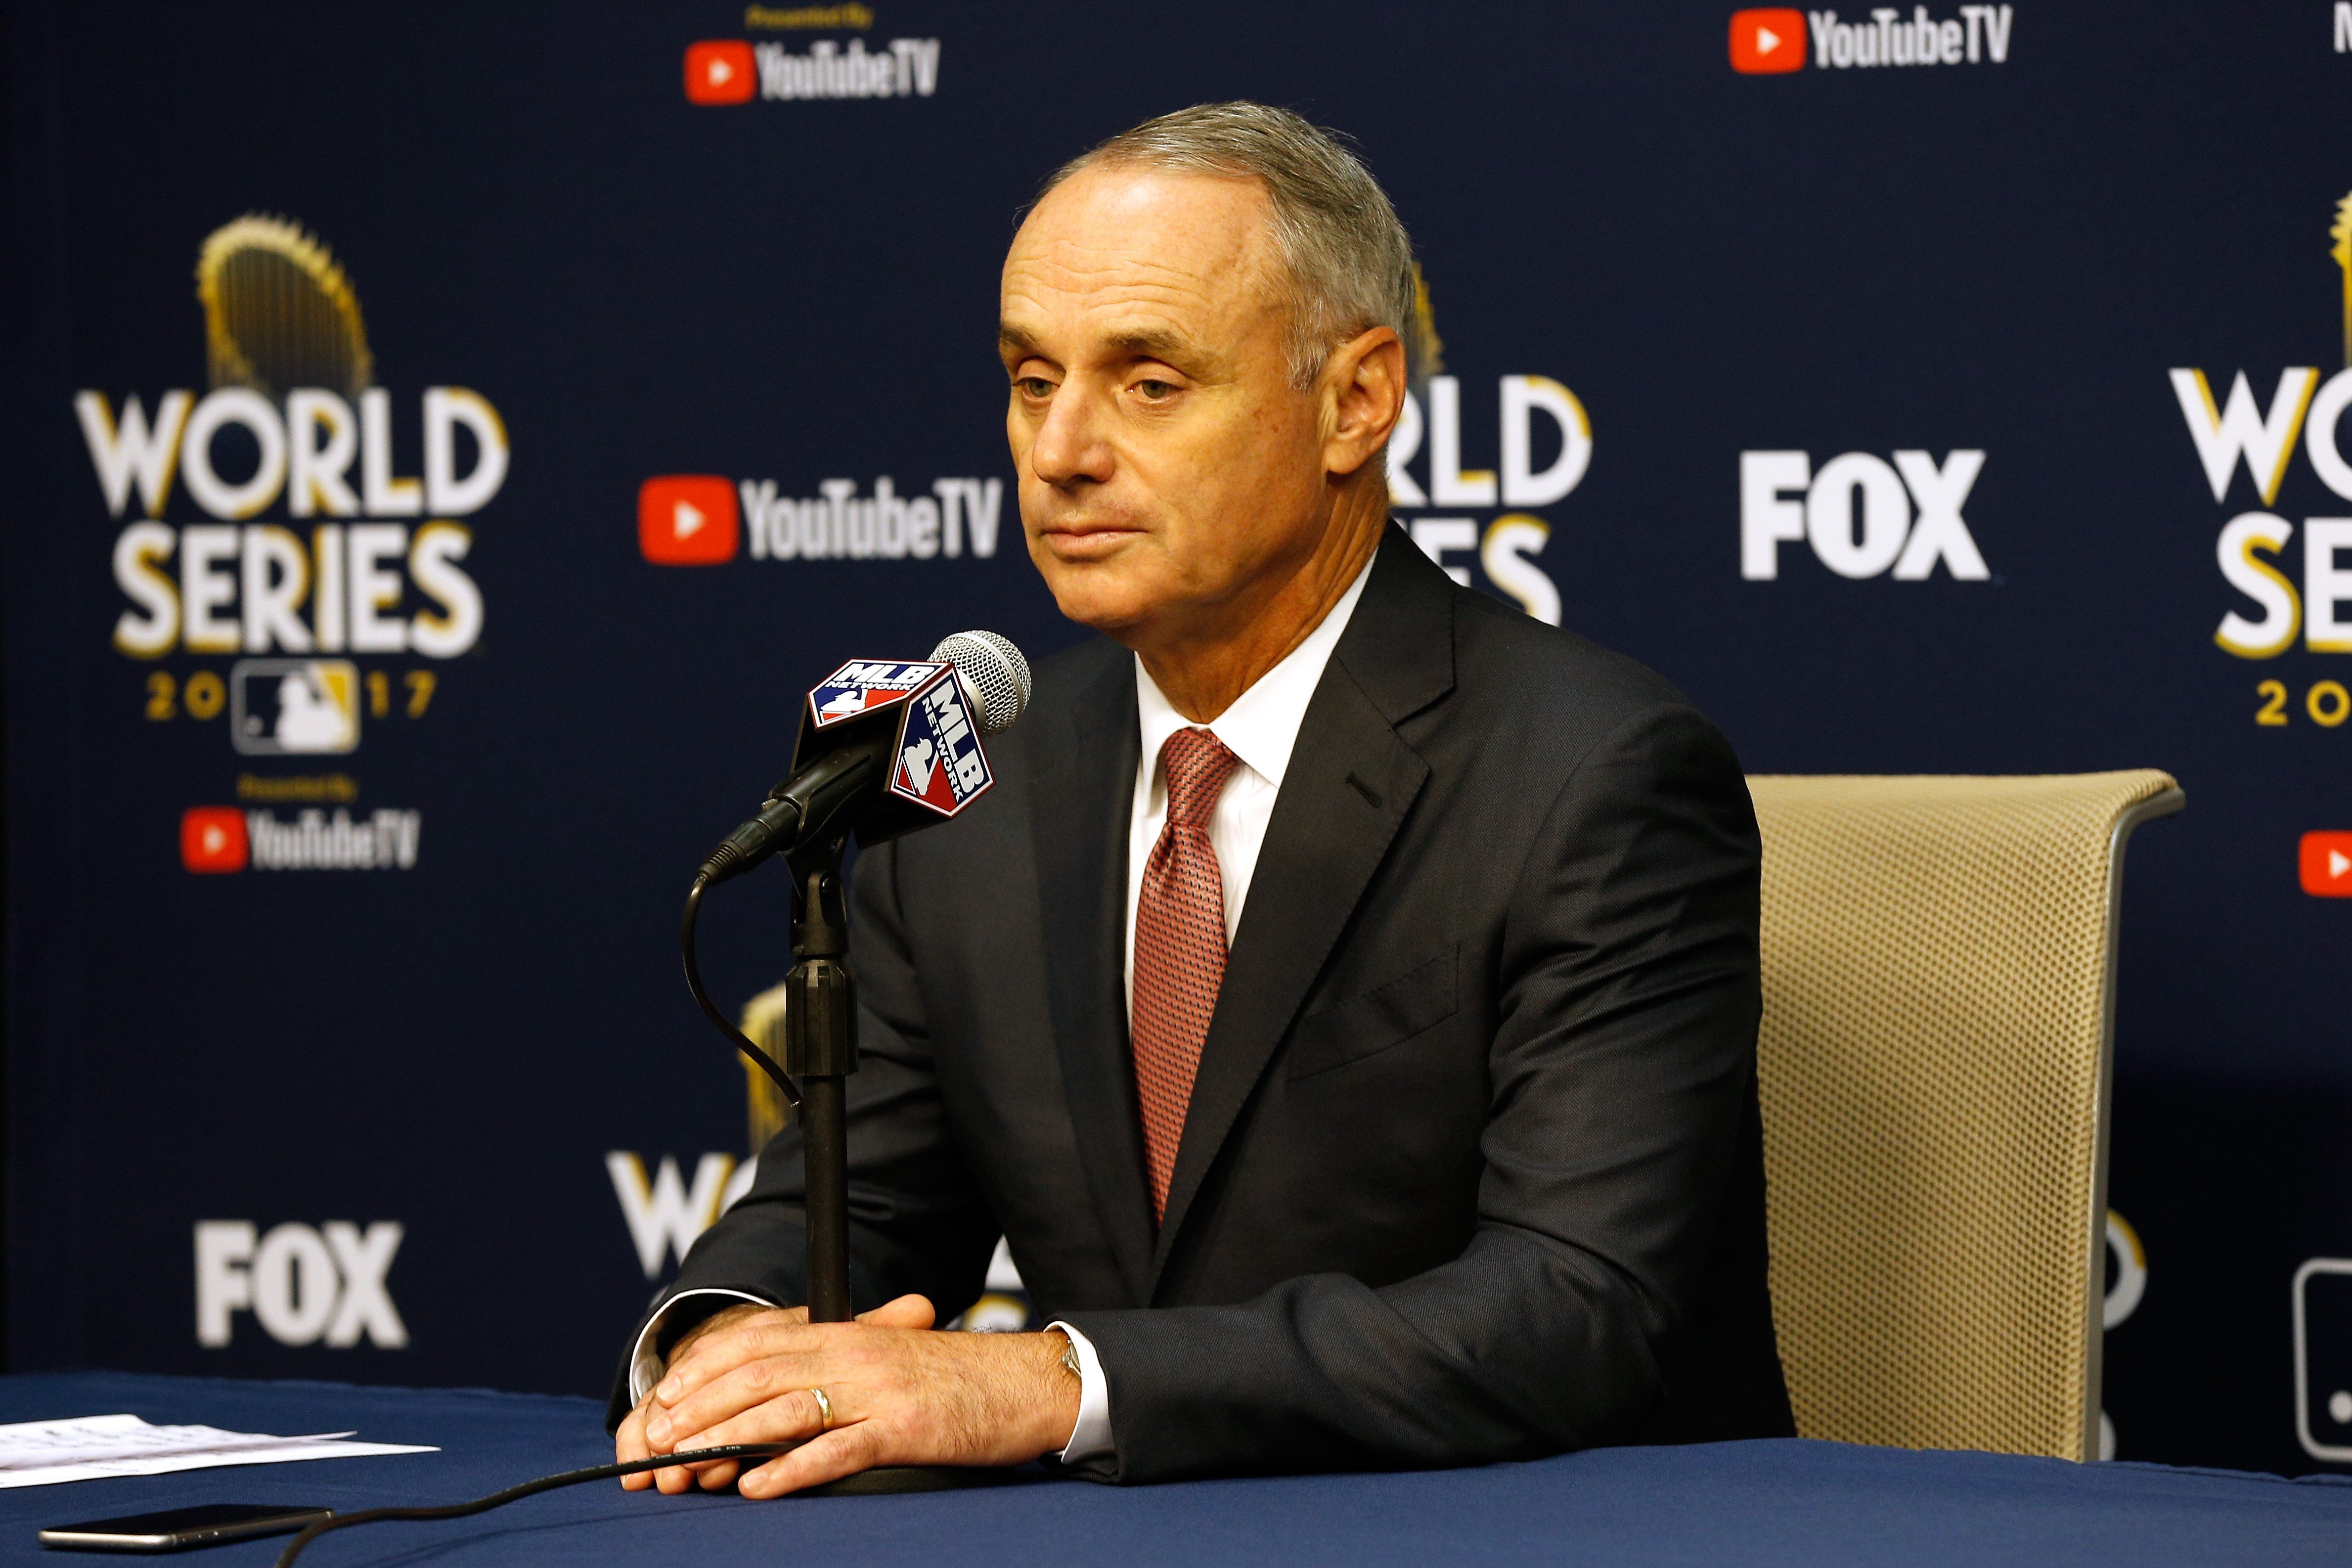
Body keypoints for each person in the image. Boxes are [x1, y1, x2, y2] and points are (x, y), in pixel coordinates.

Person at [612, 101, 1791, 1498]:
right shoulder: (974, 788)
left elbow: (1571, 1307)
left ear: (1356, 399)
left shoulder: (1596, 775)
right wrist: (731, 1354)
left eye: (1149, 383)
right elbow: (854, 1209)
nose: (1060, 452)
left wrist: (1050, 1381)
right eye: (1030, 378)